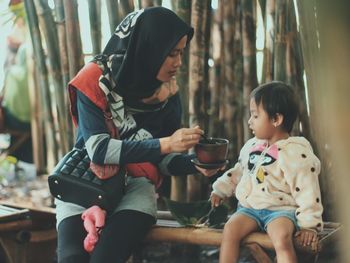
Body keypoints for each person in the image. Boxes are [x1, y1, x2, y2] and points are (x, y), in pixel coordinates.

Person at [55, 7, 220, 263]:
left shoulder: (168, 94)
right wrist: (167, 143)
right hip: (86, 181)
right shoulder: (94, 81)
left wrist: (197, 164)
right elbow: (99, 150)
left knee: (105, 259)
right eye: (172, 54)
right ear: (147, 49)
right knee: (72, 257)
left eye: (181, 53)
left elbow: (161, 161)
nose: (178, 63)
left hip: (136, 189)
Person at [210, 81, 323, 263]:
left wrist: (309, 226)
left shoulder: (295, 153)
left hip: (280, 212)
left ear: (276, 119)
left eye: (255, 115)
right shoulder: (252, 146)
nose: (249, 121)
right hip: (249, 210)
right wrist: (220, 190)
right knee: (230, 230)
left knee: (281, 238)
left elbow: (307, 189)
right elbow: (240, 171)